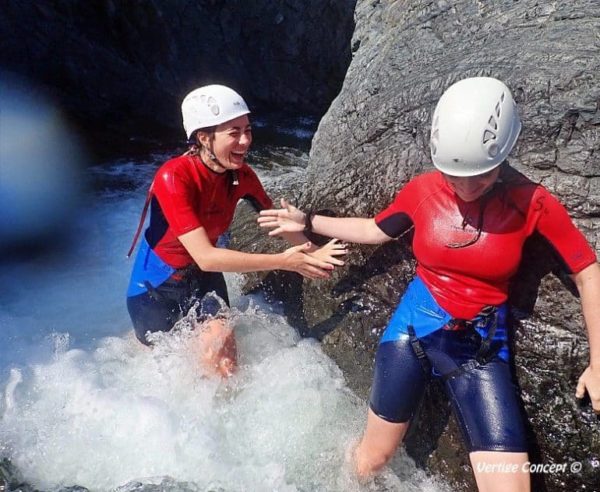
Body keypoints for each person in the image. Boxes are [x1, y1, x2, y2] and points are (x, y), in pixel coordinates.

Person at [258, 77, 600, 491]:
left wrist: (598, 364)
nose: (466, 188)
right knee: (371, 461)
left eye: (480, 176)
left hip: (481, 348)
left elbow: (587, 271)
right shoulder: (423, 190)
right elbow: (375, 229)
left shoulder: (533, 203)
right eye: (455, 177)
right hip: (412, 331)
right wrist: (308, 222)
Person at [126, 84, 346, 377]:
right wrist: (285, 262)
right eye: (234, 132)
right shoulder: (174, 177)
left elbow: (276, 222)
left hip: (202, 278)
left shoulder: (242, 176)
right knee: (162, 374)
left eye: (248, 130)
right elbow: (206, 256)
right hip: (156, 287)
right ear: (204, 138)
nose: (245, 141)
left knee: (224, 364)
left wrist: (314, 252)